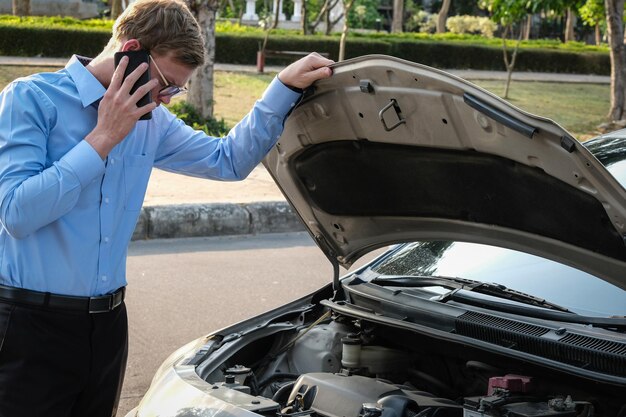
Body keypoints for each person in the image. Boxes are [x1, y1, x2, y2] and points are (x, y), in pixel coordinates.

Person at [0, 0, 334, 415]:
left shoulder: (151, 121)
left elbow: (226, 160)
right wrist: (103, 136)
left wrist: (282, 86)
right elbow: (16, 213)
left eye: (176, 90)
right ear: (132, 49)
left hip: (106, 329)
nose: (168, 99)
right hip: (29, 325)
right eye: (167, 84)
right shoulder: (31, 99)